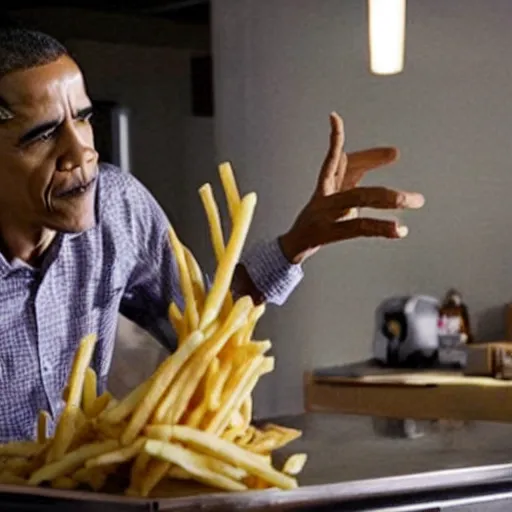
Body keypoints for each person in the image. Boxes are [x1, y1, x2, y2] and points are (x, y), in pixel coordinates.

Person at [0, 26, 424, 441]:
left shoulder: (117, 207)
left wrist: (297, 244)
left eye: (83, 119)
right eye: (43, 134)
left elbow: (203, 322)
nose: (82, 152)